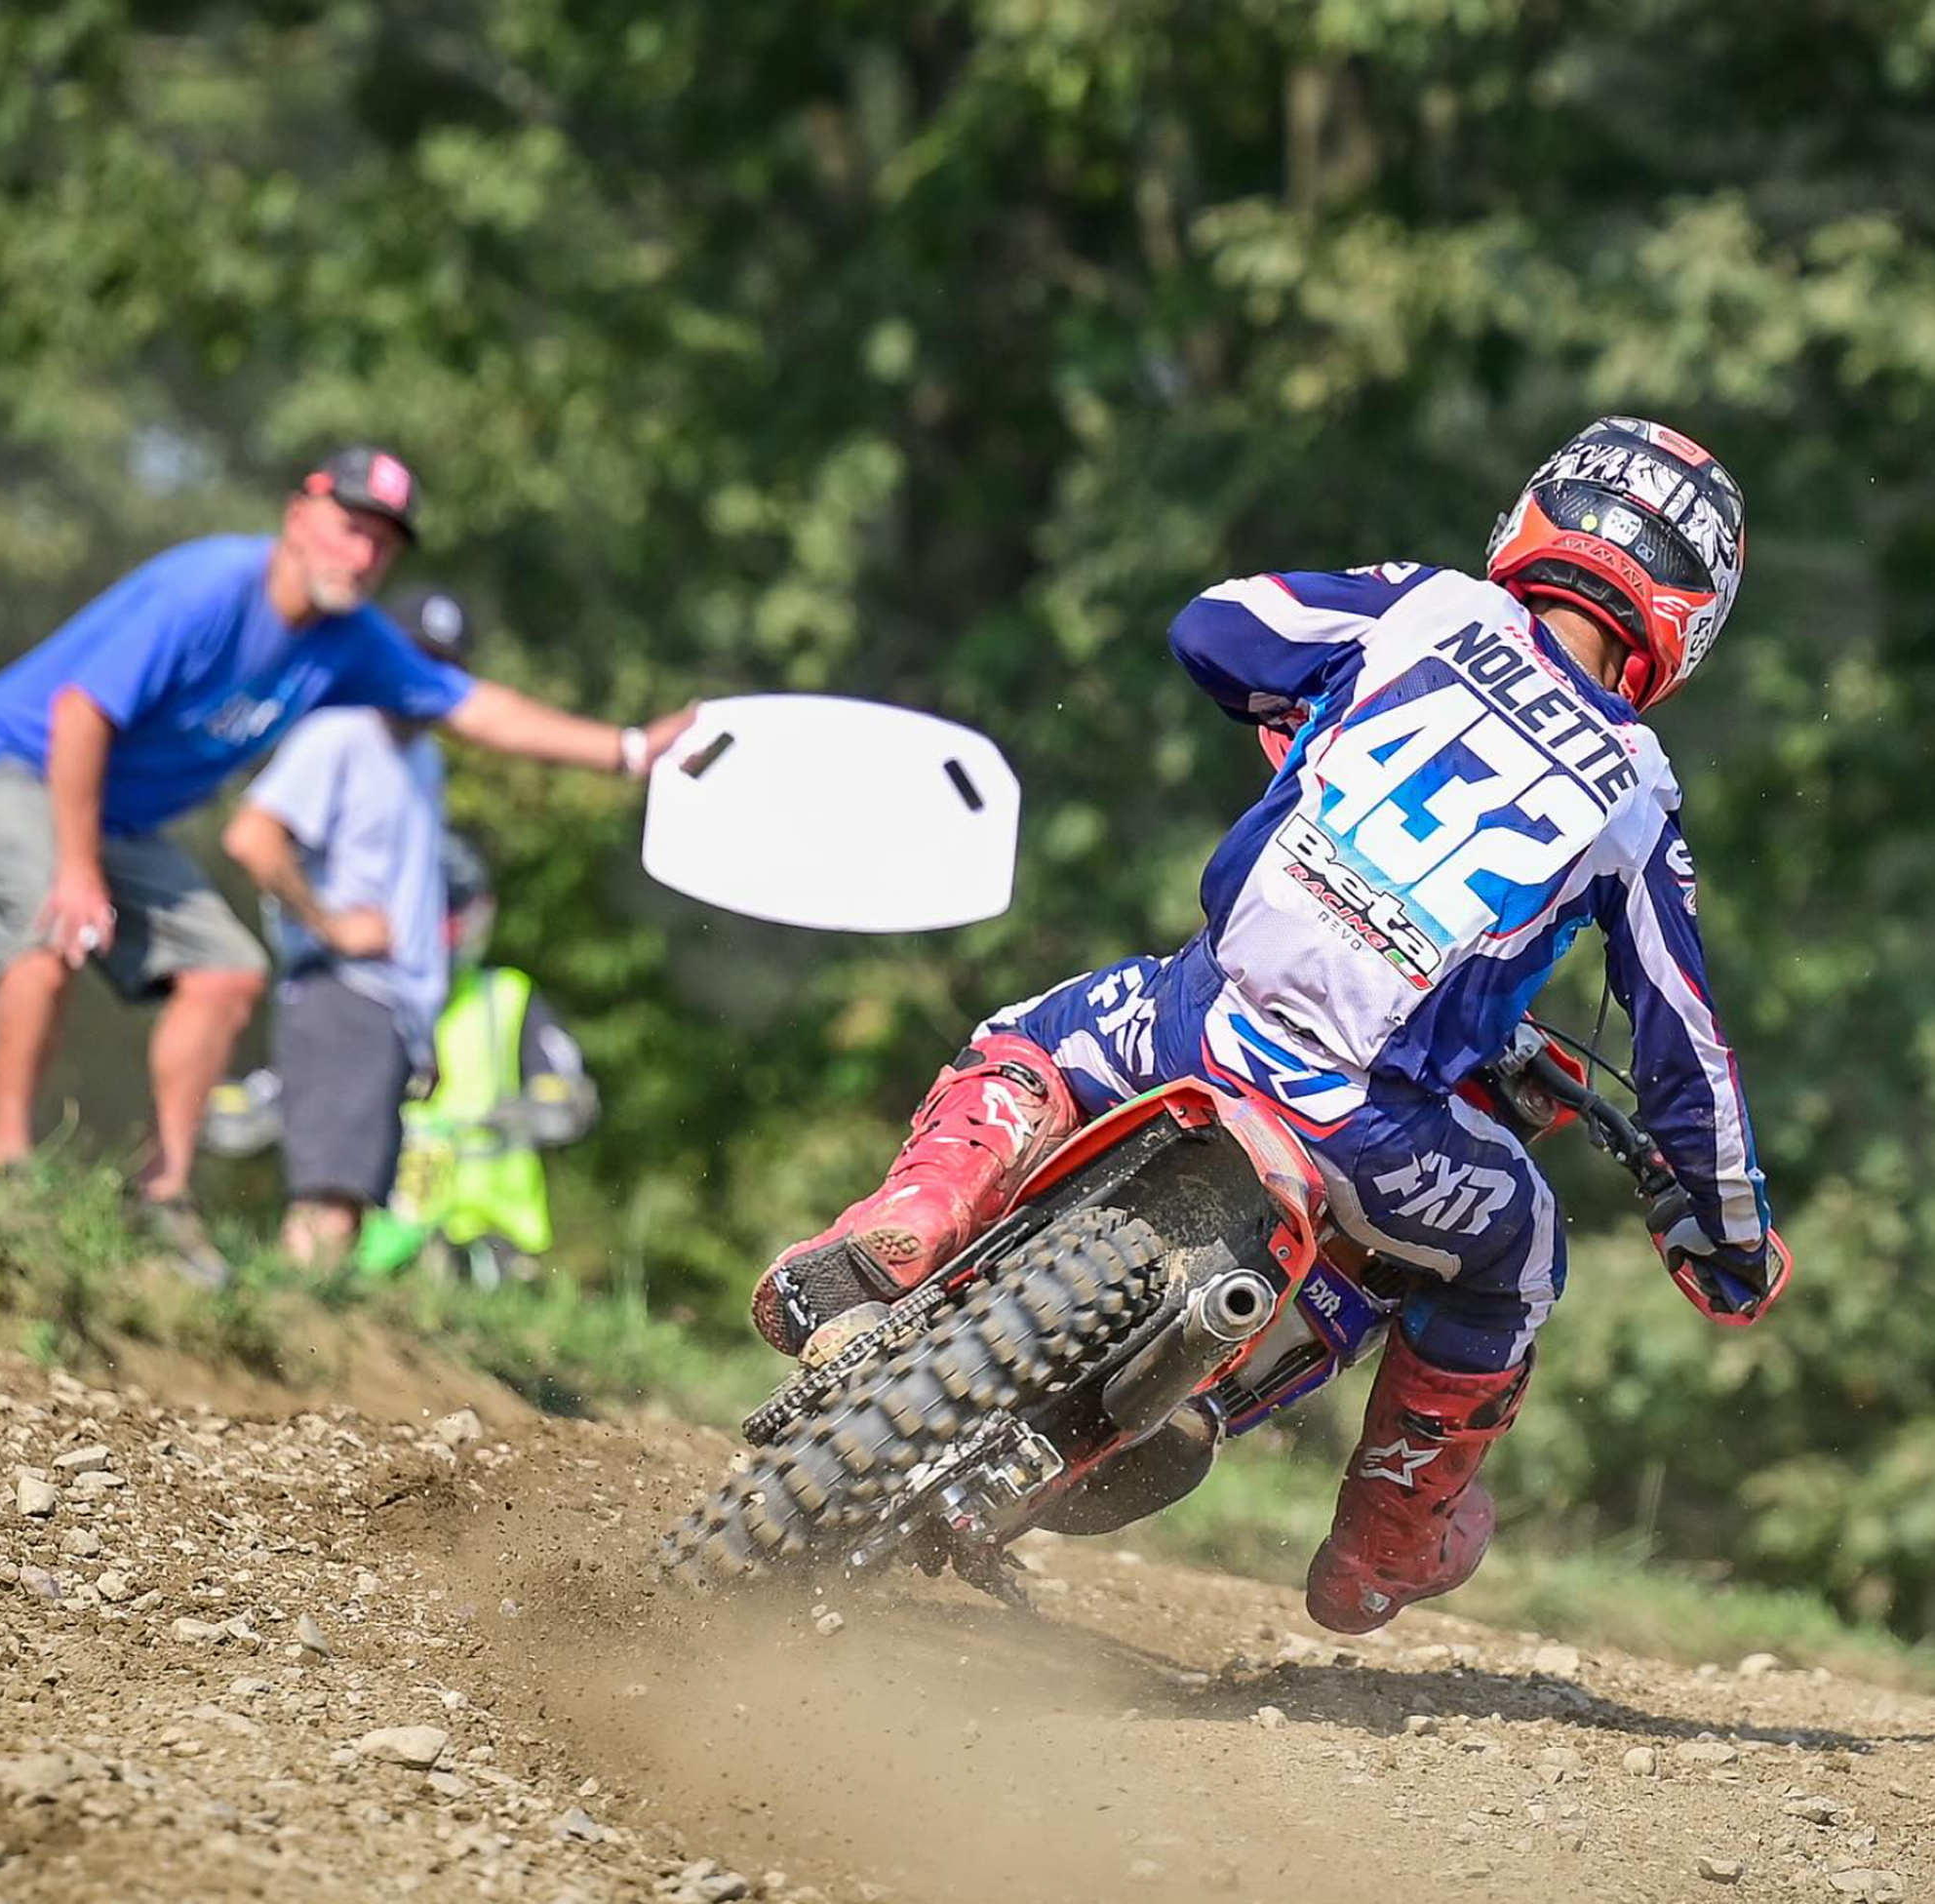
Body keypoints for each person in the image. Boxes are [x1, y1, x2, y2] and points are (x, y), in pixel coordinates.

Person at [749, 416, 1777, 1633]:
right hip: (1373, 1133)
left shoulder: (1425, 610)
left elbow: (1214, 626)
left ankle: (903, 1230)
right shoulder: (1637, 792)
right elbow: (1683, 1046)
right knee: (1521, 1255)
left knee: (1029, 1038)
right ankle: (1385, 1543)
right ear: (1689, 614)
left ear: (1537, 516)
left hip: (1198, 1022)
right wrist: (1729, 1233)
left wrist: (1299, 714)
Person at [0, 447, 692, 1283]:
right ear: (297, 516)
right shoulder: (210, 588)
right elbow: (80, 715)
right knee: (53, 929)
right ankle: (5, 1171)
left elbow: (477, 708)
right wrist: (77, 868)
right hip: (8, 765)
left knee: (228, 972)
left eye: (382, 544)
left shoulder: (350, 640)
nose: (362, 555)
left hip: (116, 814)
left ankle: (162, 1197)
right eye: (349, 528)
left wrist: (627, 750)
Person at [220, 585, 474, 1269]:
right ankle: (292, 1324)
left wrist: (421, 1021)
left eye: (444, 664)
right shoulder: (338, 733)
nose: (426, 677)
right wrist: (328, 925)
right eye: (414, 656)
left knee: (352, 1201)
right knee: (329, 1200)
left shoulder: (425, 758)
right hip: (343, 993)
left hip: (390, 1006)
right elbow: (252, 837)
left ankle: (302, 1320)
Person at [353, 831, 599, 1286]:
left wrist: (531, 1109)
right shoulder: (369, 998)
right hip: (387, 1232)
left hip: (494, 1233)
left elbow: (570, 1092)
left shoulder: (506, 995)